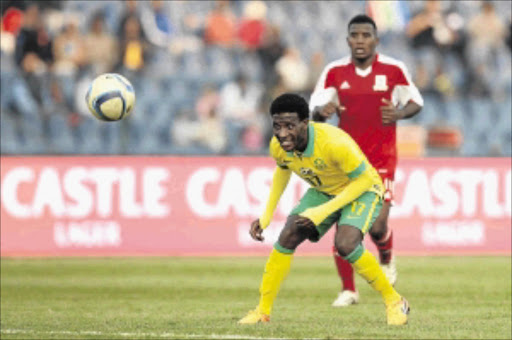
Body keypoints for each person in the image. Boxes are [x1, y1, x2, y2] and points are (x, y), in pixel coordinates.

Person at [238, 93, 410, 326]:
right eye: (277, 126)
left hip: (363, 189)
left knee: (346, 243)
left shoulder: (333, 143)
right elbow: (283, 169)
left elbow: (362, 181)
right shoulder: (277, 146)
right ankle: (262, 312)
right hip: (326, 190)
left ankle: (395, 301)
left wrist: (322, 212)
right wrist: (266, 215)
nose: (282, 133)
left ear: (305, 123)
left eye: (290, 126)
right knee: (288, 235)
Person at [309, 14, 423, 307]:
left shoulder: (394, 69)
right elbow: (314, 109)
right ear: (348, 40)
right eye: (355, 36)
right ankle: (349, 290)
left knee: (376, 225)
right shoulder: (334, 72)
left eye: (366, 35)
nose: (360, 41)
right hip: (345, 163)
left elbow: (416, 102)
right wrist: (323, 111)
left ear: (376, 40)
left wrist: (398, 113)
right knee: (344, 227)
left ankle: (386, 255)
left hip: (382, 160)